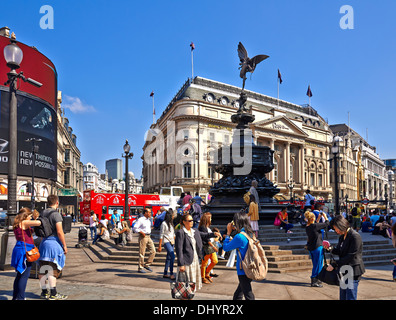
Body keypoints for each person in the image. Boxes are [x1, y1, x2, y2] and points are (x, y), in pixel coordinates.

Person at [323, 215, 365, 300]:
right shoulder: (342, 236)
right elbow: (339, 251)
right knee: (343, 296)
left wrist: (334, 265)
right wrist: (329, 248)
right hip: (344, 270)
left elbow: (350, 256)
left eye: (336, 228)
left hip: (353, 270)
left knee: (350, 297)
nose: (336, 231)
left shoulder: (355, 236)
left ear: (341, 225)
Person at [174, 214, 219, 291]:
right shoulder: (181, 233)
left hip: (195, 260)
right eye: (189, 220)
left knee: (192, 285)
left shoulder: (195, 231)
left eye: (192, 220)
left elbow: (205, 235)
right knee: (184, 287)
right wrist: (181, 264)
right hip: (186, 262)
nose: (192, 222)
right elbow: (179, 250)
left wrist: (214, 234)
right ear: (184, 222)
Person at [38, 194, 68, 300]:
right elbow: (59, 232)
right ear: (57, 202)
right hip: (53, 244)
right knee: (52, 270)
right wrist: (64, 245)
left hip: (43, 243)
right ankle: (53, 293)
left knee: (43, 269)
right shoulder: (56, 215)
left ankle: (44, 292)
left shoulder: (42, 213)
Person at [222, 210, 255, 300]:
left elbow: (225, 248)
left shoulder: (239, 236)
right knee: (238, 294)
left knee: (248, 294)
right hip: (251, 266)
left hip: (243, 269)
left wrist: (228, 233)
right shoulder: (250, 233)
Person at [11, 208, 41, 300]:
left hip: (19, 249)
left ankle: (16, 296)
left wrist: (33, 217)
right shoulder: (23, 223)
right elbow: (39, 223)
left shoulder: (17, 224)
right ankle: (20, 297)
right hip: (25, 251)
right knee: (24, 276)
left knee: (19, 275)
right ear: (25, 215)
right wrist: (36, 218)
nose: (30, 218)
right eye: (29, 216)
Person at [304, 210, 329, 287]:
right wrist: (325, 216)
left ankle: (317, 279)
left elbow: (315, 225)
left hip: (311, 248)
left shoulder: (308, 227)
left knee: (315, 264)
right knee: (318, 264)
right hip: (317, 247)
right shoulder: (314, 226)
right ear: (312, 219)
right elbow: (327, 223)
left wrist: (318, 218)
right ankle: (314, 280)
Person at [133, 207, 156, 273]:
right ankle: (140, 267)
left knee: (153, 251)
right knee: (142, 253)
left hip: (149, 236)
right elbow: (135, 228)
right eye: (149, 212)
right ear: (145, 213)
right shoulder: (141, 219)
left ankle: (147, 264)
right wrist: (141, 232)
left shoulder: (148, 220)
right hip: (143, 236)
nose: (150, 213)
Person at [198, 212, 218, 284]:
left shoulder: (207, 227)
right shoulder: (203, 227)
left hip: (211, 246)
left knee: (215, 261)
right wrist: (213, 246)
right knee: (204, 263)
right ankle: (203, 277)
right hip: (207, 247)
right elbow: (206, 238)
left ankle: (207, 273)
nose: (211, 219)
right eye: (210, 218)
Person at [158, 210, 176, 280]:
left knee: (169, 257)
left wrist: (174, 241)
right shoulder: (164, 224)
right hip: (166, 241)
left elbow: (173, 234)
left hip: (172, 241)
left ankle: (165, 273)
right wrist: (159, 246)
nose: (174, 216)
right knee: (172, 256)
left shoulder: (171, 224)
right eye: (173, 215)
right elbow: (161, 235)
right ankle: (171, 273)